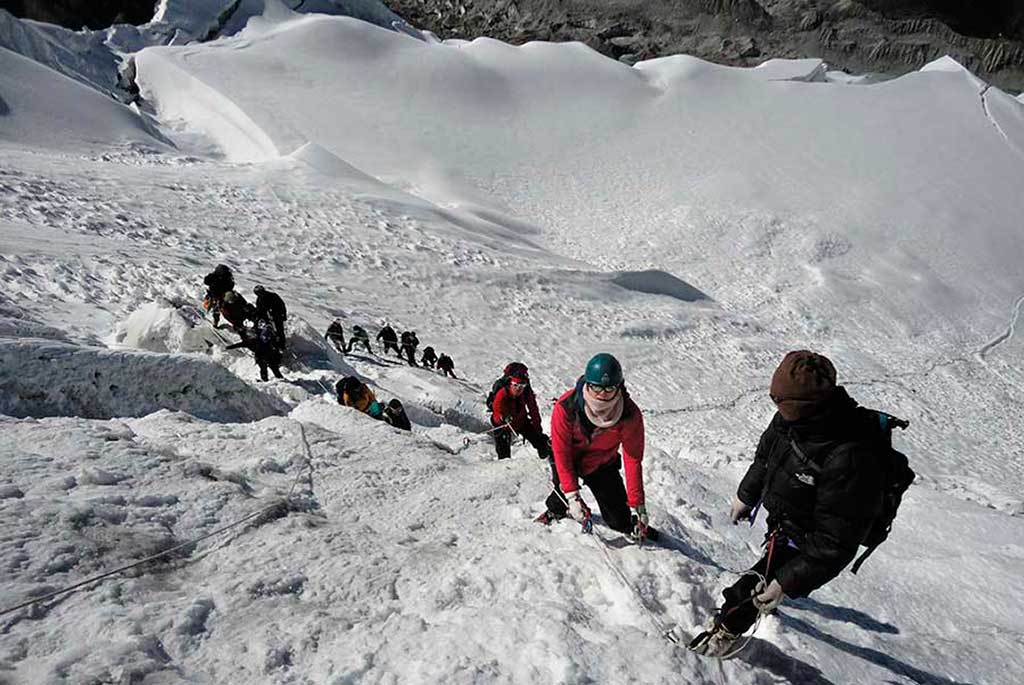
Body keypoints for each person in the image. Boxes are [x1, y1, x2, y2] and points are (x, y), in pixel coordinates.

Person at [689, 351, 886, 657]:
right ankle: (761, 604)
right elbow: (766, 458)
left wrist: (785, 581)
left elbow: (835, 541)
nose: (777, 409)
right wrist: (747, 494)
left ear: (806, 407)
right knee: (762, 581)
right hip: (785, 518)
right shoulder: (790, 419)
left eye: (782, 403)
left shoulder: (849, 458)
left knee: (748, 591)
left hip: (808, 538)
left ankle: (723, 634)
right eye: (775, 400)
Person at [547, 353, 655, 541]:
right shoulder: (566, 407)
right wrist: (573, 496)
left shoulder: (629, 414)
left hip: (602, 463)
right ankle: (555, 510)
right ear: (588, 384)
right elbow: (561, 452)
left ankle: (629, 524)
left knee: (618, 520)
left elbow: (633, 458)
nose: (602, 394)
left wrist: (638, 504)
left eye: (609, 388)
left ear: (618, 386)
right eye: (597, 387)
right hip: (569, 459)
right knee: (562, 491)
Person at [489, 362, 551, 462]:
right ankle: (505, 467)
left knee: (540, 441)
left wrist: (538, 431)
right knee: (503, 452)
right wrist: (502, 418)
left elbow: (533, 410)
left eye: (522, 386)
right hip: (503, 425)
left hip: (520, 421)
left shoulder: (526, 393)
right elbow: (497, 410)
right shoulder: (502, 393)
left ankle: (547, 456)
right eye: (516, 385)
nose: (518, 388)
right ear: (510, 383)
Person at [335, 377, 411, 431]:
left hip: (372, 408)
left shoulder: (363, 388)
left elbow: (372, 398)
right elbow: (354, 413)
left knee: (394, 404)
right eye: (357, 389)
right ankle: (398, 426)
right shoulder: (348, 398)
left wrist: (375, 405)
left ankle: (404, 426)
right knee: (387, 416)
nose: (359, 389)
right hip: (367, 415)